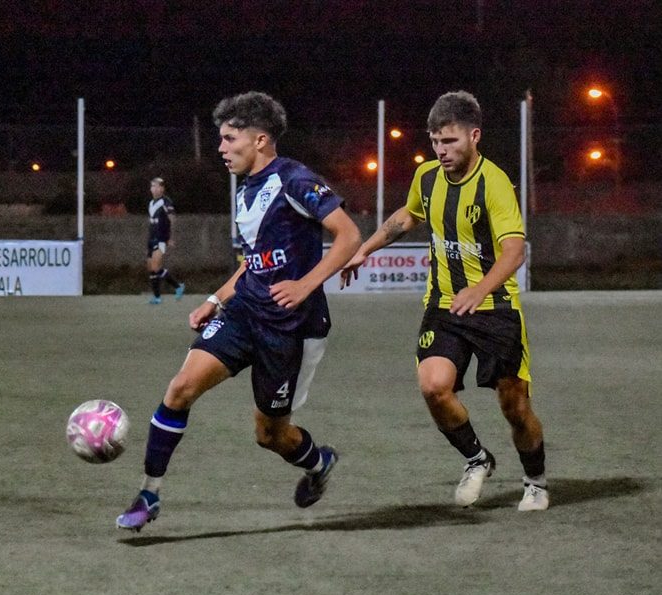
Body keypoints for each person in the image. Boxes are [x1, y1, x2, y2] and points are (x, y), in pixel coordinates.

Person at [117, 91, 362, 531]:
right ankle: (149, 493)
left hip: (291, 327)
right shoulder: (246, 190)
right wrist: (216, 299)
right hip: (245, 311)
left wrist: (307, 284)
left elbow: (348, 235)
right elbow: (254, 261)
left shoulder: (295, 180)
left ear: (261, 140)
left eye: (230, 139)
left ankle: (319, 461)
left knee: (270, 435)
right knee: (179, 389)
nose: (221, 148)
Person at [341, 91, 549, 511]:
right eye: (435, 142)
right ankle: (477, 459)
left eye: (450, 141)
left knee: (514, 405)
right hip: (443, 305)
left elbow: (514, 251)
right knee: (434, 387)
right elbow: (406, 216)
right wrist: (366, 248)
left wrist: (481, 288)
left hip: (496, 309)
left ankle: (536, 481)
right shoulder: (428, 177)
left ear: (474, 136)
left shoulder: (495, 184)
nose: (441, 150)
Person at [146, 177, 184, 304]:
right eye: (152, 186)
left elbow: (172, 219)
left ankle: (159, 297)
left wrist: (170, 237)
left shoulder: (166, 202)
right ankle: (176, 287)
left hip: (161, 238)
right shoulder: (151, 203)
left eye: (157, 186)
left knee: (156, 267)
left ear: (162, 188)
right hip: (151, 239)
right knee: (152, 268)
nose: (154, 189)